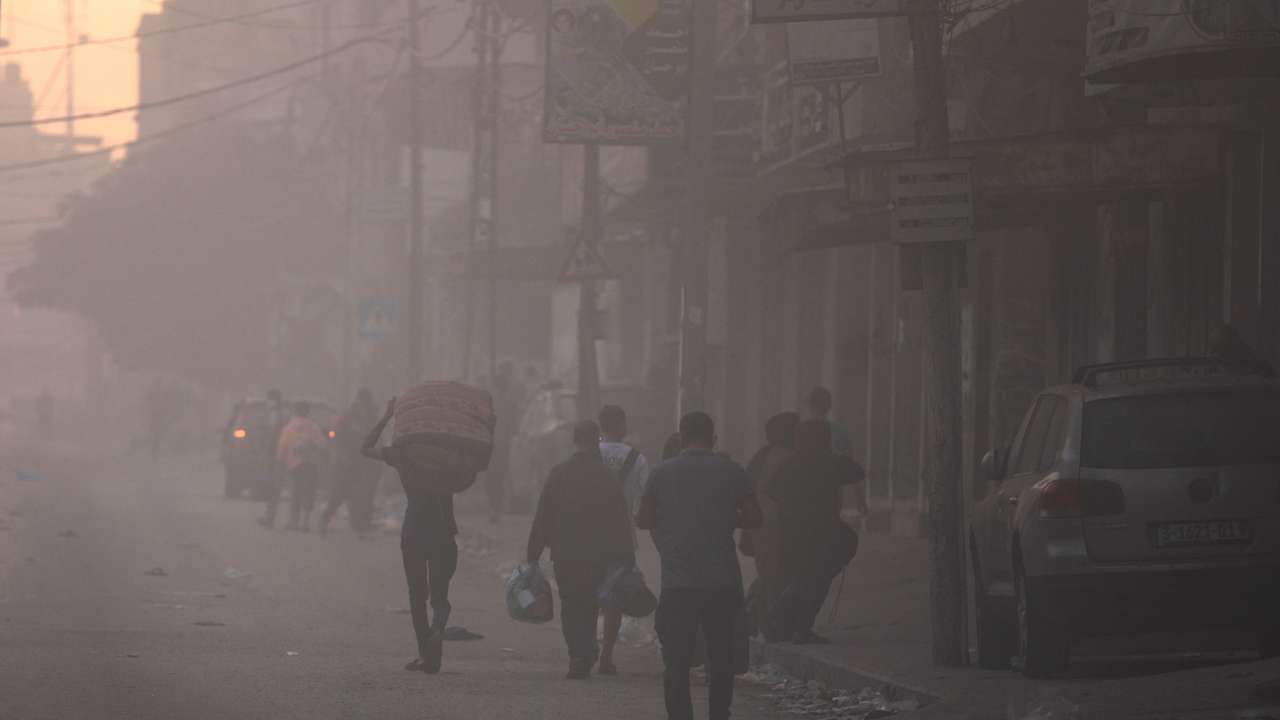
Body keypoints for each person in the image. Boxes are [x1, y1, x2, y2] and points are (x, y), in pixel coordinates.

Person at [637, 412, 762, 720]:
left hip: (679, 582)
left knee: (676, 661)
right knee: (721, 657)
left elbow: (643, 519)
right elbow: (755, 517)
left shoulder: (661, 473)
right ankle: (719, 714)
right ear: (713, 437)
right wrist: (725, 518)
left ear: (681, 436)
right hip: (722, 582)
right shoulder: (733, 471)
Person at [527, 420, 635, 680]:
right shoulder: (607, 476)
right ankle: (585, 651)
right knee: (588, 601)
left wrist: (533, 555)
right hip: (598, 552)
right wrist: (626, 556)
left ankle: (578, 653)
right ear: (596, 440)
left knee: (571, 602)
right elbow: (620, 519)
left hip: (564, 552)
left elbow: (543, 516)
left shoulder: (559, 473)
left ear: (574, 441)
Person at [362, 398, 458, 674]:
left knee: (417, 596)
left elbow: (365, 448)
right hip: (443, 532)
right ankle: (438, 626)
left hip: (415, 531)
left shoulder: (403, 455)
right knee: (440, 594)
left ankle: (425, 653)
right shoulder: (446, 457)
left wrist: (385, 415)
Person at [767, 419, 866, 644]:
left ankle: (789, 616)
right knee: (817, 578)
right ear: (825, 439)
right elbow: (857, 471)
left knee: (804, 576)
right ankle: (799, 624)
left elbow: (771, 491)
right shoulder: (831, 462)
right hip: (825, 533)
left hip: (791, 534)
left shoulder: (788, 465)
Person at [596, 404, 650, 675]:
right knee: (614, 598)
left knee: (588, 594)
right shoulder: (637, 459)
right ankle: (606, 656)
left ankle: (584, 649)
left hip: (589, 537)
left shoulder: (589, 455)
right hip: (621, 538)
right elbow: (645, 502)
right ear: (622, 425)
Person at [743, 412, 800, 635]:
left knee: (768, 573)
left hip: (759, 524)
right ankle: (770, 622)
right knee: (780, 574)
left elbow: (746, 488)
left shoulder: (762, 455)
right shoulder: (793, 457)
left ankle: (762, 617)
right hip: (780, 525)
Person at [320, 388, 381, 536]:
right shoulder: (348, 417)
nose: (363, 405)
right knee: (340, 493)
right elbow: (338, 437)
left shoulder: (373, 418)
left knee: (364, 495)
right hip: (347, 461)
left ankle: (361, 527)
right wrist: (342, 455)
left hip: (366, 462)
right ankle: (325, 519)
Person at [274, 401, 326, 533]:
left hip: (294, 464)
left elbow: (283, 446)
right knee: (309, 492)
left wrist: (280, 460)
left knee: (295, 492)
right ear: (308, 412)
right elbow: (322, 444)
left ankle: (293, 522)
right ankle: (305, 522)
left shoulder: (289, 427)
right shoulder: (313, 427)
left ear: (295, 411)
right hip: (311, 463)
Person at [258, 389, 290, 527]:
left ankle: (270, 517)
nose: (268, 402)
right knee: (272, 486)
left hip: (277, 455)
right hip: (275, 454)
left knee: (274, 486)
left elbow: (275, 435)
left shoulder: (279, 415)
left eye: (269, 399)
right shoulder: (277, 414)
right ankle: (269, 516)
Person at [808, 386, 853, 459]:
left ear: (811, 406)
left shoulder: (804, 431)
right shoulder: (841, 431)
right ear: (829, 406)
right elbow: (849, 459)